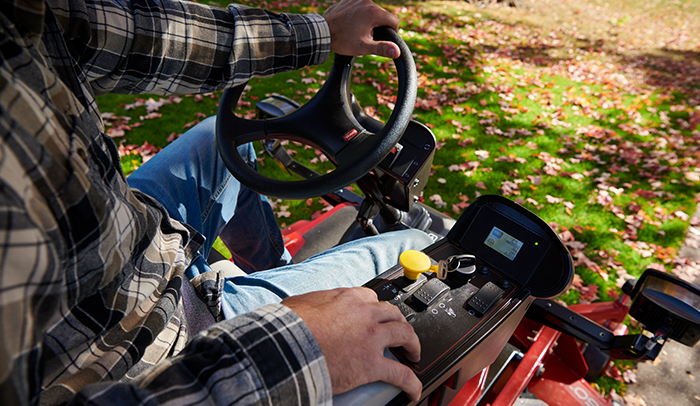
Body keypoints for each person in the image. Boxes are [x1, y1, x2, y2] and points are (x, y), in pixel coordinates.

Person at [0, 0, 434, 404]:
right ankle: (259, 299)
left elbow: (121, 31)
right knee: (418, 243)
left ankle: (276, 271)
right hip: (150, 346)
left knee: (217, 142)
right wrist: (288, 346)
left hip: (120, 246)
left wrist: (320, 32)